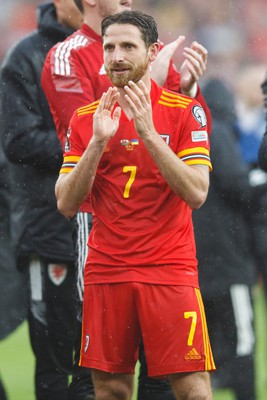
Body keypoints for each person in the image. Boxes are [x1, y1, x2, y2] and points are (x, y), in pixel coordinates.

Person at [42, 2, 211, 398]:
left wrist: (149, 135)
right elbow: (65, 203)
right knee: (112, 390)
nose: (117, 57)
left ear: (152, 53)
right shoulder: (87, 119)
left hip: (169, 269)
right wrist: (98, 143)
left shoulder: (186, 111)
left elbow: (197, 193)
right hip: (108, 271)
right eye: (109, 47)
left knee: (192, 389)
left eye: (128, 47)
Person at [0, 2, 95, 399]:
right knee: (58, 360)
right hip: (50, 230)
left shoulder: (112, 49)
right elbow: (17, 141)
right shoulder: (26, 55)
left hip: (105, 233)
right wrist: (90, 143)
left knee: (101, 365)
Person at [193, 78, 267, 400]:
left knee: (205, 353)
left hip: (199, 266)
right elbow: (240, 188)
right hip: (228, 264)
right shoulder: (219, 132)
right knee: (243, 345)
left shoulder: (194, 133)